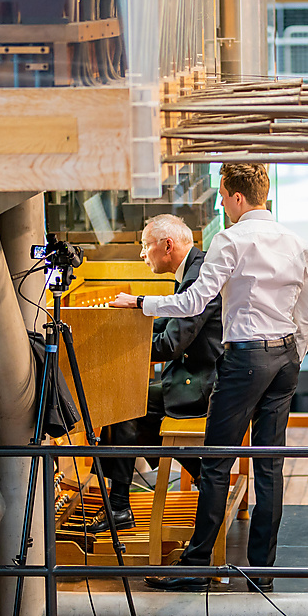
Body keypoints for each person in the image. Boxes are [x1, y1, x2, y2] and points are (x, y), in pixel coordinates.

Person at [111, 163, 308, 593]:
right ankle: (262, 572)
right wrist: (293, 355)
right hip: (284, 360)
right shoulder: (296, 242)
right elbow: (307, 314)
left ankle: (198, 565)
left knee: (216, 463)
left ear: (237, 198)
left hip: (244, 360)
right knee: (270, 468)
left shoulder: (231, 239)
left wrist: (139, 304)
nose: (221, 204)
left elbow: (194, 301)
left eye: (222, 196)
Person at [82, 214, 223, 534]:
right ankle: (196, 475)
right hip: (196, 375)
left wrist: (119, 346)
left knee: (124, 404)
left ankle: (119, 506)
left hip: (203, 383)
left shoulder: (198, 273)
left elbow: (172, 343)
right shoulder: (195, 267)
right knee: (132, 406)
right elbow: (174, 319)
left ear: (167, 246)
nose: (142, 254)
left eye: (146, 246)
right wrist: (132, 325)